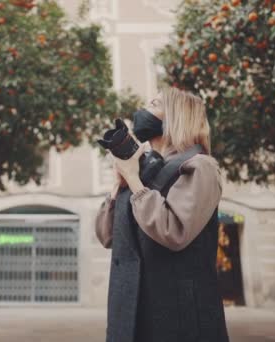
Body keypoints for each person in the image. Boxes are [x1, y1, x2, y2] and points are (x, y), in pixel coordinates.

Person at [95, 85, 229, 342]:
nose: (142, 111)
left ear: (176, 117)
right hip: (131, 315)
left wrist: (134, 180)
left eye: (154, 104)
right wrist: (119, 185)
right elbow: (107, 236)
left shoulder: (200, 166)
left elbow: (174, 231)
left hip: (179, 319)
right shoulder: (146, 168)